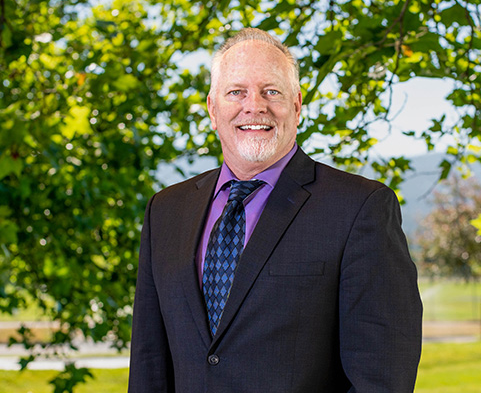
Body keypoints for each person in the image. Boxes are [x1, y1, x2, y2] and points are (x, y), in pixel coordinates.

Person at [128, 28, 422, 392]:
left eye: (272, 92)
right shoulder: (166, 211)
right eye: (237, 92)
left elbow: (381, 377)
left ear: (296, 105)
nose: (255, 106)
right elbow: (148, 362)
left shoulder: (360, 208)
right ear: (212, 108)